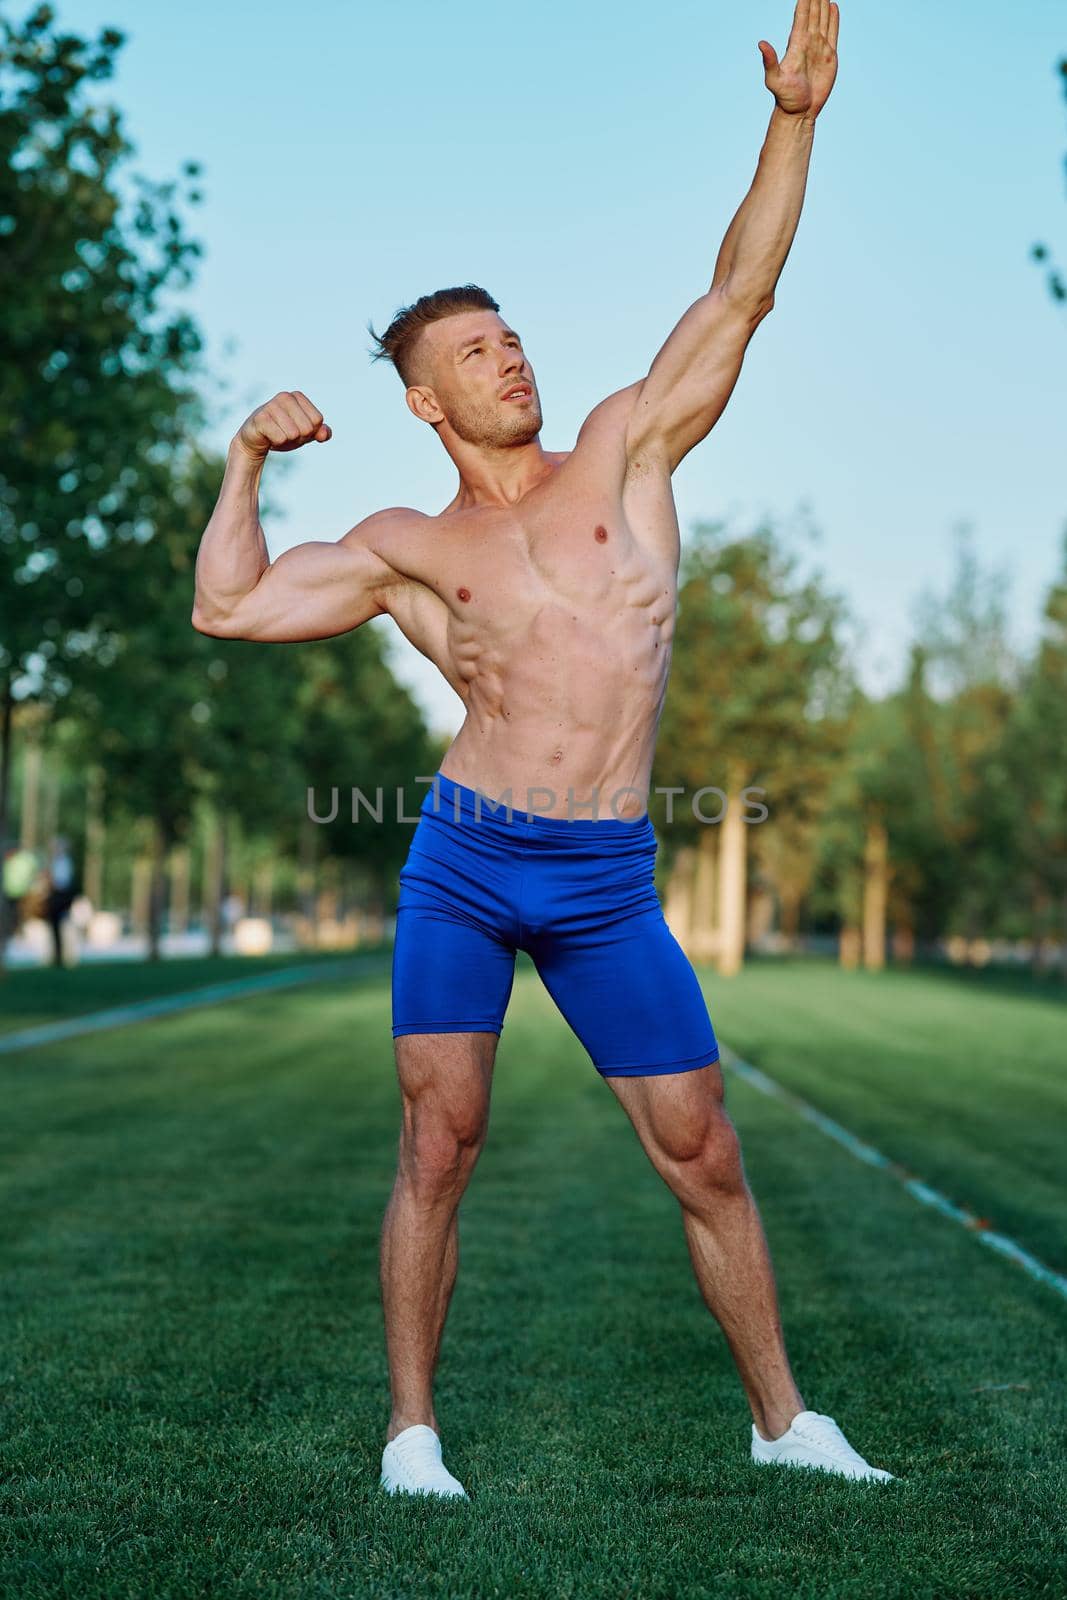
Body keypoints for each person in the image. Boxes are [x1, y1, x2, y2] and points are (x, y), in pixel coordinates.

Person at [193, 0, 896, 1496]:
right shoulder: (401, 543)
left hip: (598, 876)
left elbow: (734, 297)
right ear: (421, 397)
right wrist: (244, 457)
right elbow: (230, 604)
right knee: (438, 1143)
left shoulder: (623, 452)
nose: (507, 359)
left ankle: (785, 1426)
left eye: (508, 335)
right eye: (472, 349)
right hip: (462, 863)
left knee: (700, 1145)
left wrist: (794, 122)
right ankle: (410, 1437)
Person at [44, 836, 77, 968]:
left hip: (60, 896)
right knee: (55, 928)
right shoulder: (56, 862)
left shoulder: (63, 862)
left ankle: (63, 956)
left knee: (62, 926)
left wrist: (50, 882)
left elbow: (61, 882)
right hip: (57, 895)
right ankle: (57, 955)